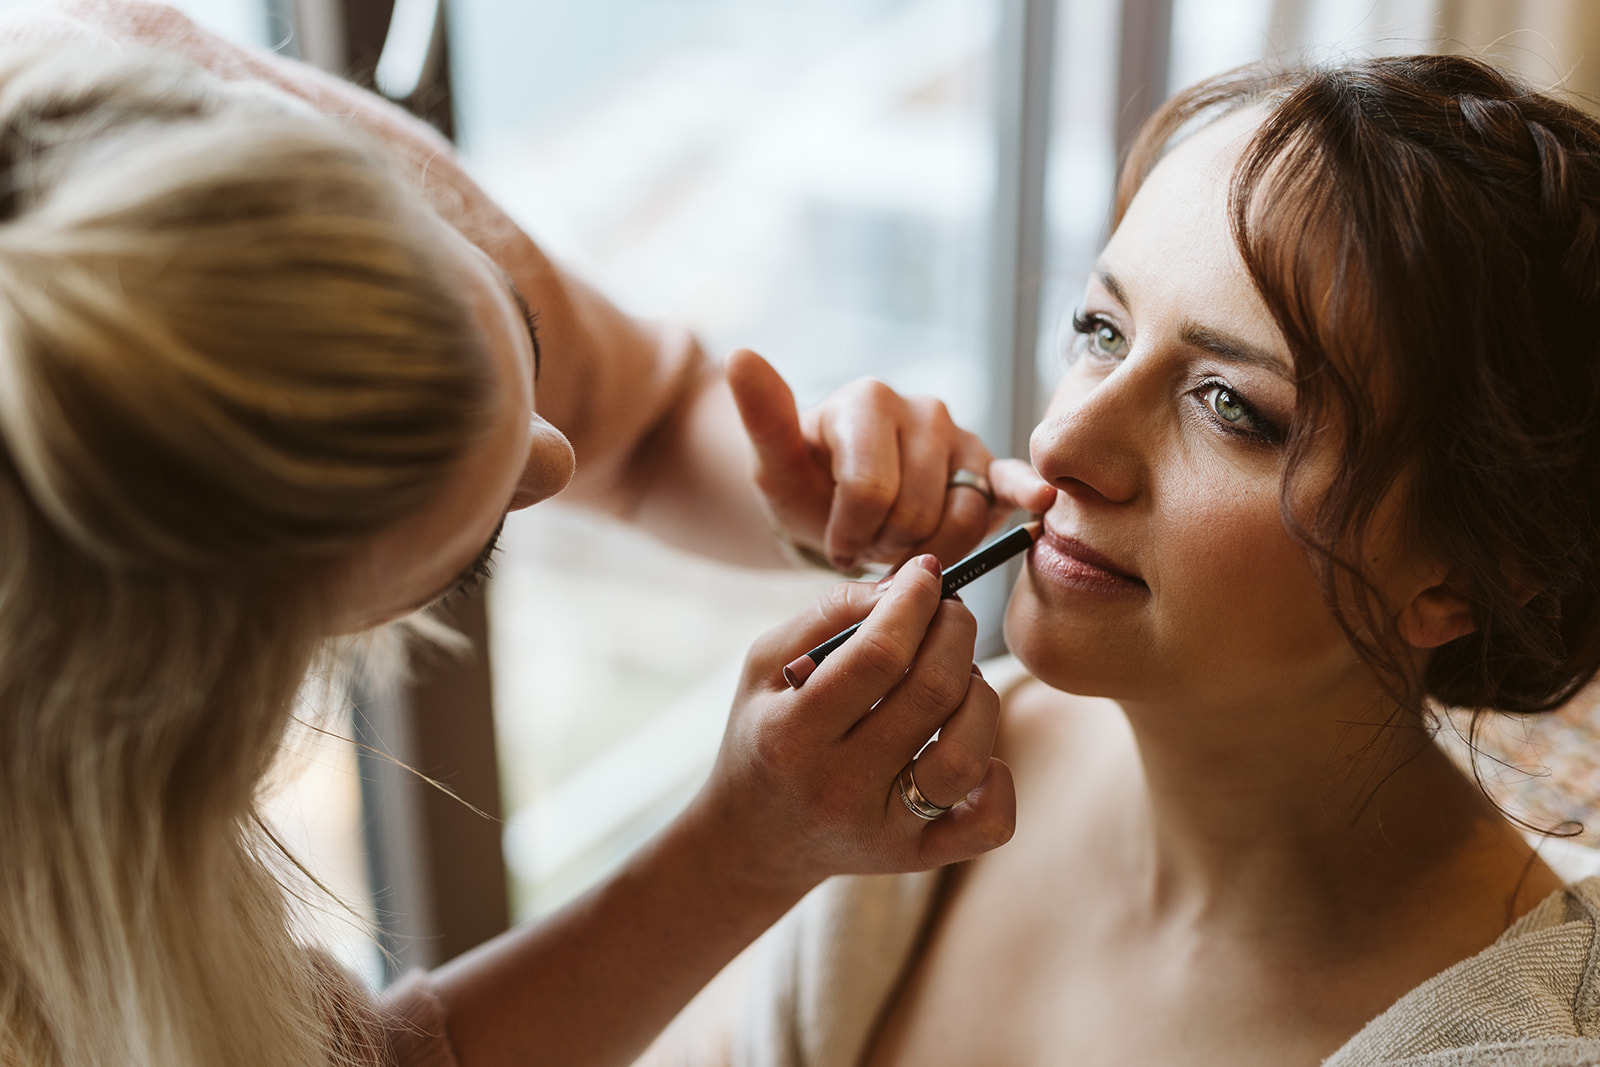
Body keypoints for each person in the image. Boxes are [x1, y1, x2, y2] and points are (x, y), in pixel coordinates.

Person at [0, 2, 1061, 1065]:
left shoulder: (150, 144)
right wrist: (739, 855)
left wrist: (837, 487)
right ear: (194, 692)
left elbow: (643, 420)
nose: (554, 455)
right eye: (471, 552)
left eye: (521, 329)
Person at [642, 52, 1600, 1067]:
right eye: (1101, 329)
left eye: (1232, 405)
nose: (1061, 443)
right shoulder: (935, 768)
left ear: (1457, 575)